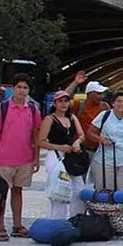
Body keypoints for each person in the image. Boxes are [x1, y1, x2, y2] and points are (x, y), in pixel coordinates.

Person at [0, 74, 41, 241]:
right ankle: (0, 226)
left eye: (25, 88)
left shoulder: (33, 109)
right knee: (1, 194)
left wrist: (36, 157)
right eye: (19, 87)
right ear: (13, 88)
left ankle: (17, 225)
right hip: (4, 158)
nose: (22, 90)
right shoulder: (2, 108)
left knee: (18, 191)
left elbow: (36, 135)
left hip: (25, 158)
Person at [36, 91, 87, 219]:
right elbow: (40, 141)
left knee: (79, 189)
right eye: (60, 101)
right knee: (59, 189)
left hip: (71, 155)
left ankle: (76, 217)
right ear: (55, 103)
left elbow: (81, 135)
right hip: (56, 155)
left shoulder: (72, 117)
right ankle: (57, 219)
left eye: (66, 101)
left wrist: (77, 142)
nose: (64, 104)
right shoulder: (49, 119)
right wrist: (60, 147)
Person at [87, 91, 123, 192]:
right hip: (105, 158)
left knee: (122, 191)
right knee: (105, 190)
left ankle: (120, 208)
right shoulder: (104, 115)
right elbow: (90, 133)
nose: (121, 104)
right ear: (113, 103)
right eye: (118, 101)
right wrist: (101, 139)